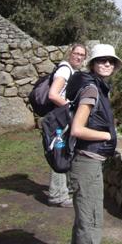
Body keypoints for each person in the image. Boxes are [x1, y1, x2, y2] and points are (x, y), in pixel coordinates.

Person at [66, 43, 122, 244]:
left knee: (84, 220)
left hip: (89, 162)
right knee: (91, 223)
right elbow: (77, 129)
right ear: (93, 64)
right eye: (102, 60)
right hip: (86, 162)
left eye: (110, 60)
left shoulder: (98, 87)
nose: (107, 64)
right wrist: (108, 136)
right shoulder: (91, 90)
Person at [47, 43, 87, 207]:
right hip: (59, 122)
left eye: (82, 55)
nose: (78, 57)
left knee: (66, 152)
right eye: (76, 53)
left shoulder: (72, 71)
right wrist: (71, 108)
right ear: (69, 54)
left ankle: (66, 190)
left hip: (63, 120)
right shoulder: (64, 70)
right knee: (60, 153)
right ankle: (57, 195)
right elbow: (53, 95)